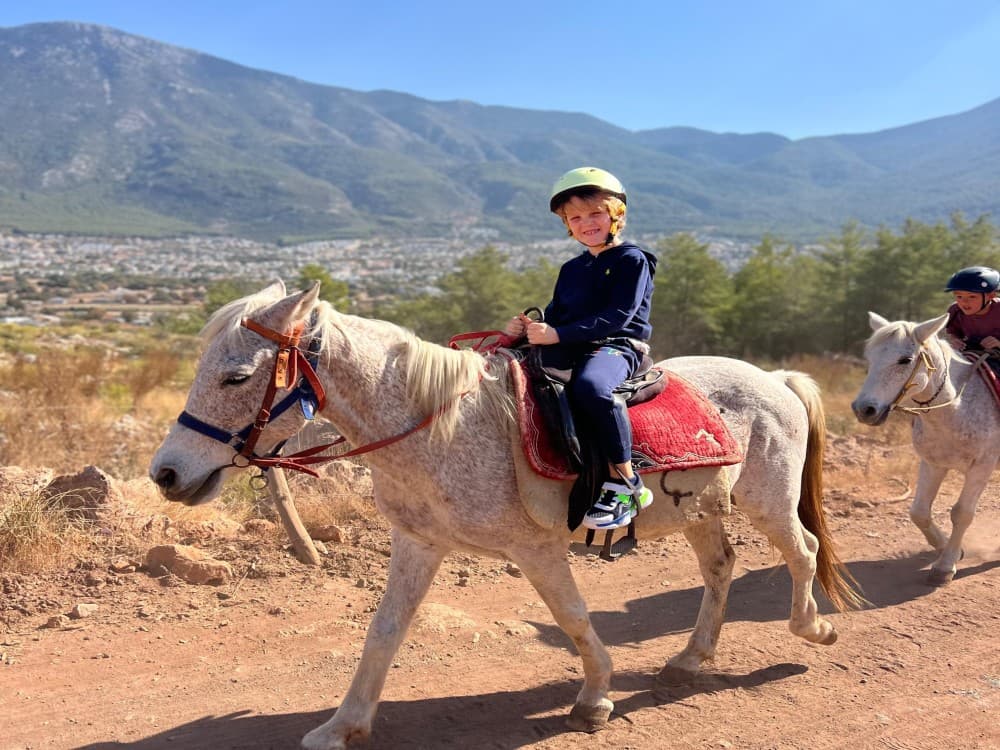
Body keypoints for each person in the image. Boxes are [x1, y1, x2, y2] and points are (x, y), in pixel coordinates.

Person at [505, 166, 657, 530]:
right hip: (576, 345)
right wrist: (525, 330)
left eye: (595, 213)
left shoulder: (633, 260)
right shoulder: (571, 268)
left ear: (615, 215)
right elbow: (557, 315)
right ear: (567, 225)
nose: (586, 222)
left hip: (618, 346)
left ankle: (626, 482)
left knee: (592, 388)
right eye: (575, 217)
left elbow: (619, 316)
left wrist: (556, 335)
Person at [944, 266, 1000, 355]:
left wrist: (998, 344)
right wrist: (954, 340)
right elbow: (952, 333)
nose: (964, 302)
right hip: (972, 353)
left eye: (972, 296)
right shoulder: (955, 311)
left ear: (991, 296)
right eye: (959, 296)